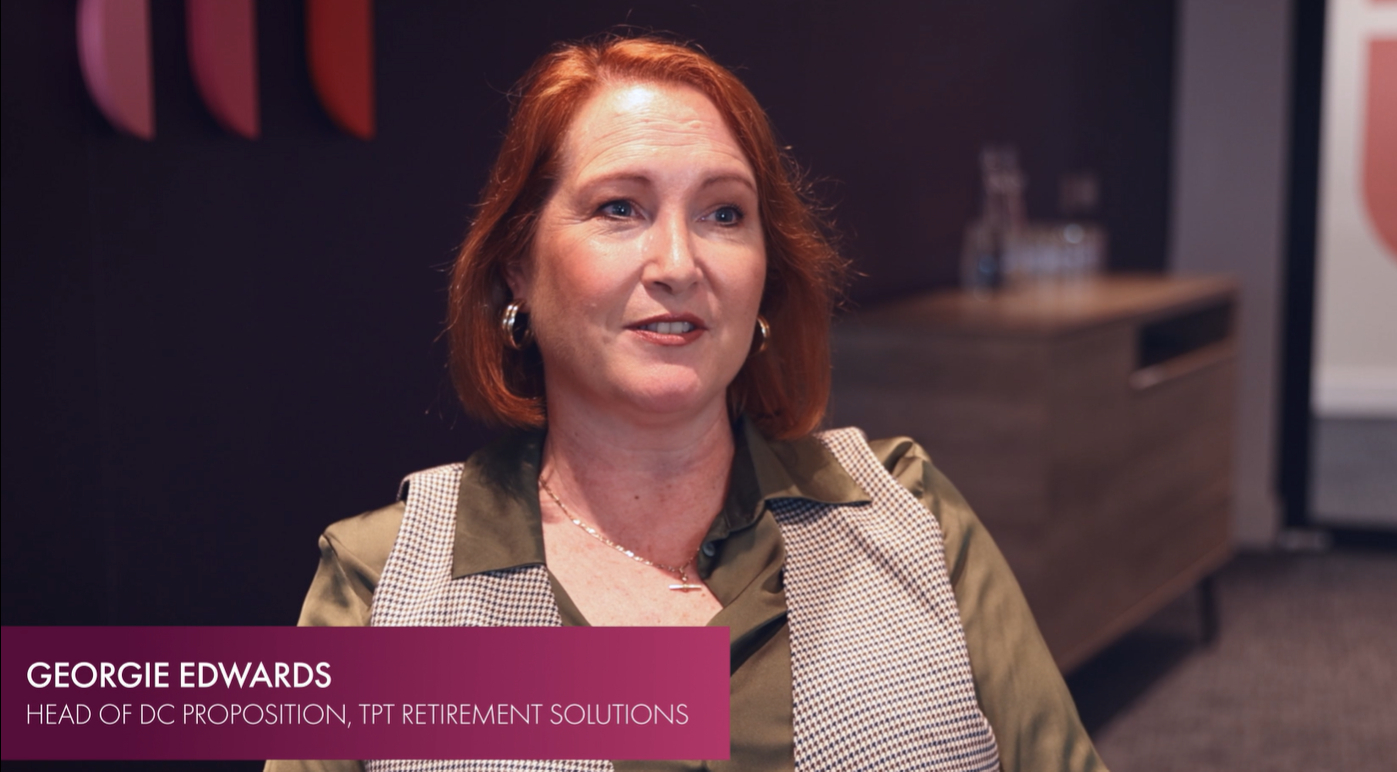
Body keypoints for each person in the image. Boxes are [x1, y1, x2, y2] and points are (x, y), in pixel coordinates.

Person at [269, 35, 1106, 772]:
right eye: (619, 208)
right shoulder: (384, 583)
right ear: (517, 267)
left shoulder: (909, 515)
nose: (677, 262)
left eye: (723, 213)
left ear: (764, 275)